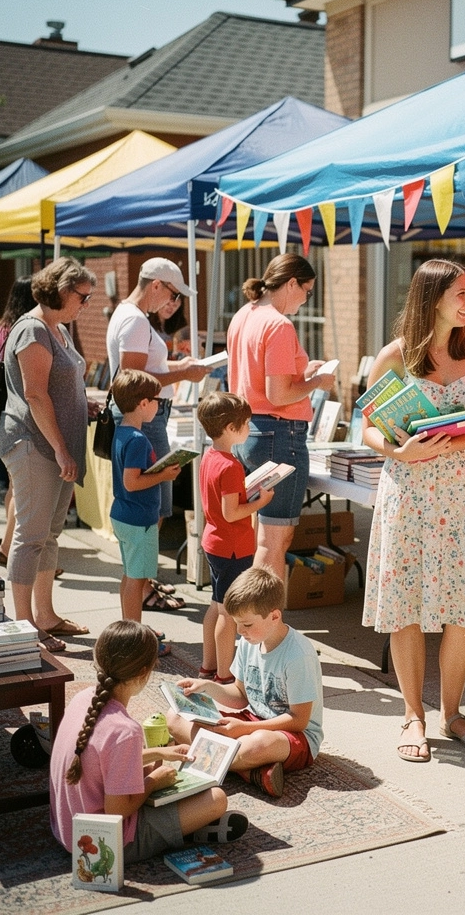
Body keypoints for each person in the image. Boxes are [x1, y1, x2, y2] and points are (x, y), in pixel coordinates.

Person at [361, 258, 465, 763]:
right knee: (407, 605)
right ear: (432, 299)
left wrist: (455, 440)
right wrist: (397, 451)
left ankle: (452, 712)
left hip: (462, 491)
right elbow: (369, 428)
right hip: (410, 491)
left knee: (464, 604)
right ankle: (412, 715)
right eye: (461, 293)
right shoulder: (395, 355)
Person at [50, 620, 248, 865]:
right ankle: (191, 831)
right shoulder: (125, 731)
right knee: (216, 799)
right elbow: (117, 811)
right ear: (144, 672)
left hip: (67, 828)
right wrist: (153, 782)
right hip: (107, 843)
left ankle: (184, 827)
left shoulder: (82, 698)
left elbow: (99, 762)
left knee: (153, 768)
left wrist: (155, 753)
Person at [0, 258, 98, 652]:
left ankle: (45, 615)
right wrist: (60, 448)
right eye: (83, 297)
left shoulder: (56, 329)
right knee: (30, 536)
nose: (86, 305)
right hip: (35, 446)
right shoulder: (32, 330)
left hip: (56, 447)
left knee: (49, 536)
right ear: (60, 290)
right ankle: (24, 625)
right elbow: (35, 394)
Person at [167, 566, 323, 800]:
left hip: (292, 737)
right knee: (174, 717)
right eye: (237, 623)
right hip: (251, 722)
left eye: (247, 624)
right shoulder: (250, 642)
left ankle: (210, 756)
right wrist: (207, 688)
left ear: (274, 616)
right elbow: (240, 694)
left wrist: (244, 730)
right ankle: (252, 772)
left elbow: (299, 721)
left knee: (256, 745)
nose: (240, 631)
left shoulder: (298, 655)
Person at [225, 254, 336, 573]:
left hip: (246, 433)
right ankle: (263, 620)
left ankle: (253, 617)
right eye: (307, 290)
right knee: (274, 542)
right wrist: (317, 382)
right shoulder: (278, 324)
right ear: (291, 284)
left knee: (259, 537)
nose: (306, 298)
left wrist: (304, 371)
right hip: (278, 436)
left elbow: (257, 378)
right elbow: (278, 394)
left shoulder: (244, 315)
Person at [106, 257, 206, 588]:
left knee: (154, 503)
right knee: (155, 505)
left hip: (145, 414)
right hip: (145, 415)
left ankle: (143, 582)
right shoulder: (135, 321)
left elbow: (140, 368)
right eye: (171, 293)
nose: (172, 302)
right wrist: (183, 372)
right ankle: (142, 583)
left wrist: (177, 364)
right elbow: (134, 377)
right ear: (155, 285)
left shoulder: (129, 315)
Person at [196, 391, 274, 683]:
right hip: (232, 546)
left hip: (214, 541)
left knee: (216, 607)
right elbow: (233, 513)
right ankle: (224, 674)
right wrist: (260, 501)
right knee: (228, 613)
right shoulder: (230, 465)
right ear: (230, 428)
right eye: (245, 424)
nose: (249, 429)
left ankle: (208, 665)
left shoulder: (211, 456)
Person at [109, 368, 181, 654]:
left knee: (130, 576)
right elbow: (132, 481)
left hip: (125, 515)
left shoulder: (123, 432)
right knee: (137, 580)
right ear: (143, 403)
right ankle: (135, 641)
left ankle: (130, 628)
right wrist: (164, 476)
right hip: (139, 519)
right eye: (157, 401)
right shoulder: (138, 439)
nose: (158, 406)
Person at [0, 276, 36, 570]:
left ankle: (9, 542)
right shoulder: (25, 331)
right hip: (20, 412)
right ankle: (8, 546)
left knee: (14, 486)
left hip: (3, 412)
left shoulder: (1, 329)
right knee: (21, 489)